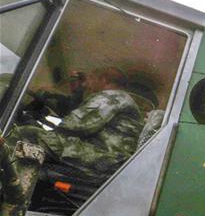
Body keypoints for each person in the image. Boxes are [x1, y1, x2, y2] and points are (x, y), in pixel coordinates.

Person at [7, 66, 148, 181]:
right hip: (104, 160)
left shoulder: (113, 97)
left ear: (104, 79)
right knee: (32, 144)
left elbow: (76, 125)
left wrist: (31, 122)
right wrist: (78, 91)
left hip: (104, 159)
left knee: (25, 134)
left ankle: (8, 178)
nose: (89, 84)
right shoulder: (120, 99)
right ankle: (20, 178)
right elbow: (79, 119)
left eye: (91, 78)